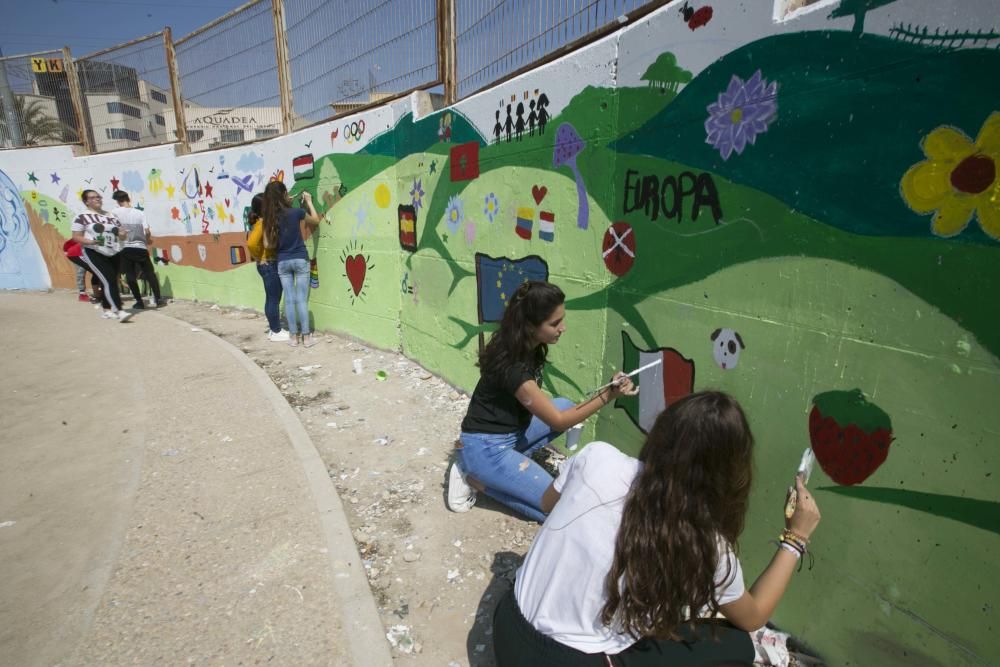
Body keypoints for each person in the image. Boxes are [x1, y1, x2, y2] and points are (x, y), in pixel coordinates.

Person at [493, 391, 823, 666]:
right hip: (562, 662)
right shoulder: (705, 542)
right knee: (737, 647)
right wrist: (796, 537)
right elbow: (752, 618)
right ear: (730, 474)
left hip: (507, 627)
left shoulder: (598, 456)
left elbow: (549, 504)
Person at [446, 281, 637, 522]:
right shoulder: (513, 368)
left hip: (508, 434)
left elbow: (556, 413)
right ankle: (477, 479)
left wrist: (607, 391)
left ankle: (497, 471)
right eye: (554, 323)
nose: (562, 328)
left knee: (566, 405)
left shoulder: (526, 345)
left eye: (561, 320)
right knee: (557, 509)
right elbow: (557, 422)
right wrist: (609, 395)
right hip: (486, 448)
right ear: (529, 326)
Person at [261, 181, 320, 347]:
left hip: (282, 262)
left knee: (289, 300)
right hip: (300, 258)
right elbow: (315, 221)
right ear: (284, 195)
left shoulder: (270, 218)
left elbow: (267, 245)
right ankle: (307, 338)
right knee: (301, 300)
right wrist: (308, 201)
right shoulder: (297, 212)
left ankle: (293, 338)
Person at [71, 189, 132, 323]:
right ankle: (119, 310)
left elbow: (122, 234)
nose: (97, 199)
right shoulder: (82, 216)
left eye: (98, 197)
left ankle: (106, 310)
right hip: (93, 251)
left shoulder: (111, 216)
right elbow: (76, 237)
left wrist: (122, 234)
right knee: (109, 279)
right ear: (86, 201)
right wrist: (91, 241)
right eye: (93, 197)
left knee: (110, 280)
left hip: (113, 251)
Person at [109, 190, 164, 309]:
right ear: (128, 198)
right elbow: (147, 231)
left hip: (125, 247)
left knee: (130, 276)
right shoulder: (139, 213)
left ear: (118, 201)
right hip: (141, 247)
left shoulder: (114, 212)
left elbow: (113, 229)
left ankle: (139, 301)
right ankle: (158, 299)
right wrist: (147, 240)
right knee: (150, 274)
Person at [247, 192, 289, 342]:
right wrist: (260, 257)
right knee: (273, 298)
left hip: (269, 263)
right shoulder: (263, 223)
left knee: (272, 298)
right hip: (269, 264)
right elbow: (251, 243)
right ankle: (275, 331)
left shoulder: (263, 221)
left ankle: (274, 329)